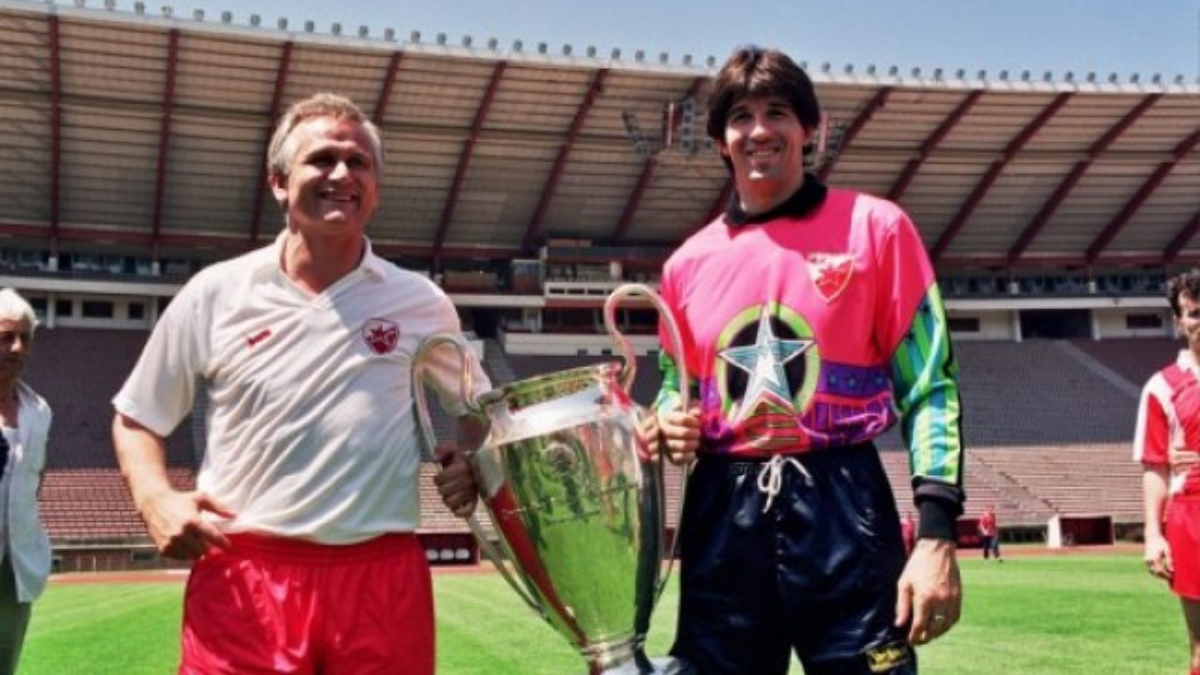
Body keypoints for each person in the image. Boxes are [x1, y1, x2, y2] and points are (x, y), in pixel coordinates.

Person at [111, 93, 488, 675]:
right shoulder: (216, 292)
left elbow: (481, 411)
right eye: (321, 159)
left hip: (381, 580)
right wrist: (154, 498)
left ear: (376, 188)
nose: (342, 174)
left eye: (358, 162)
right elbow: (138, 417)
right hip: (246, 576)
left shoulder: (420, 302)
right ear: (279, 182)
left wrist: (473, 460)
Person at [652, 46, 964, 675]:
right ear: (719, 141)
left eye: (777, 112)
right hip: (723, 509)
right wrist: (664, 420)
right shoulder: (685, 266)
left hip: (844, 504)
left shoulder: (878, 229)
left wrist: (936, 535)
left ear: (809, 129)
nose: (758, 130)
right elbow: (672, 387)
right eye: (740, 117)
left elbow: (931, 385)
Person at [1136, 269, 1200, 675]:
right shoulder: (1161, 387)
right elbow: (1155, 465)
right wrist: (1153, 535)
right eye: (1195, 313)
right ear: (1179, 321)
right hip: (1193, 515)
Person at [0, 289, 52, 675]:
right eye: (5, 337)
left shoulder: (40, 411)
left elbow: (36, 480)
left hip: (15, 567)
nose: (17, 348)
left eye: (24, 338)